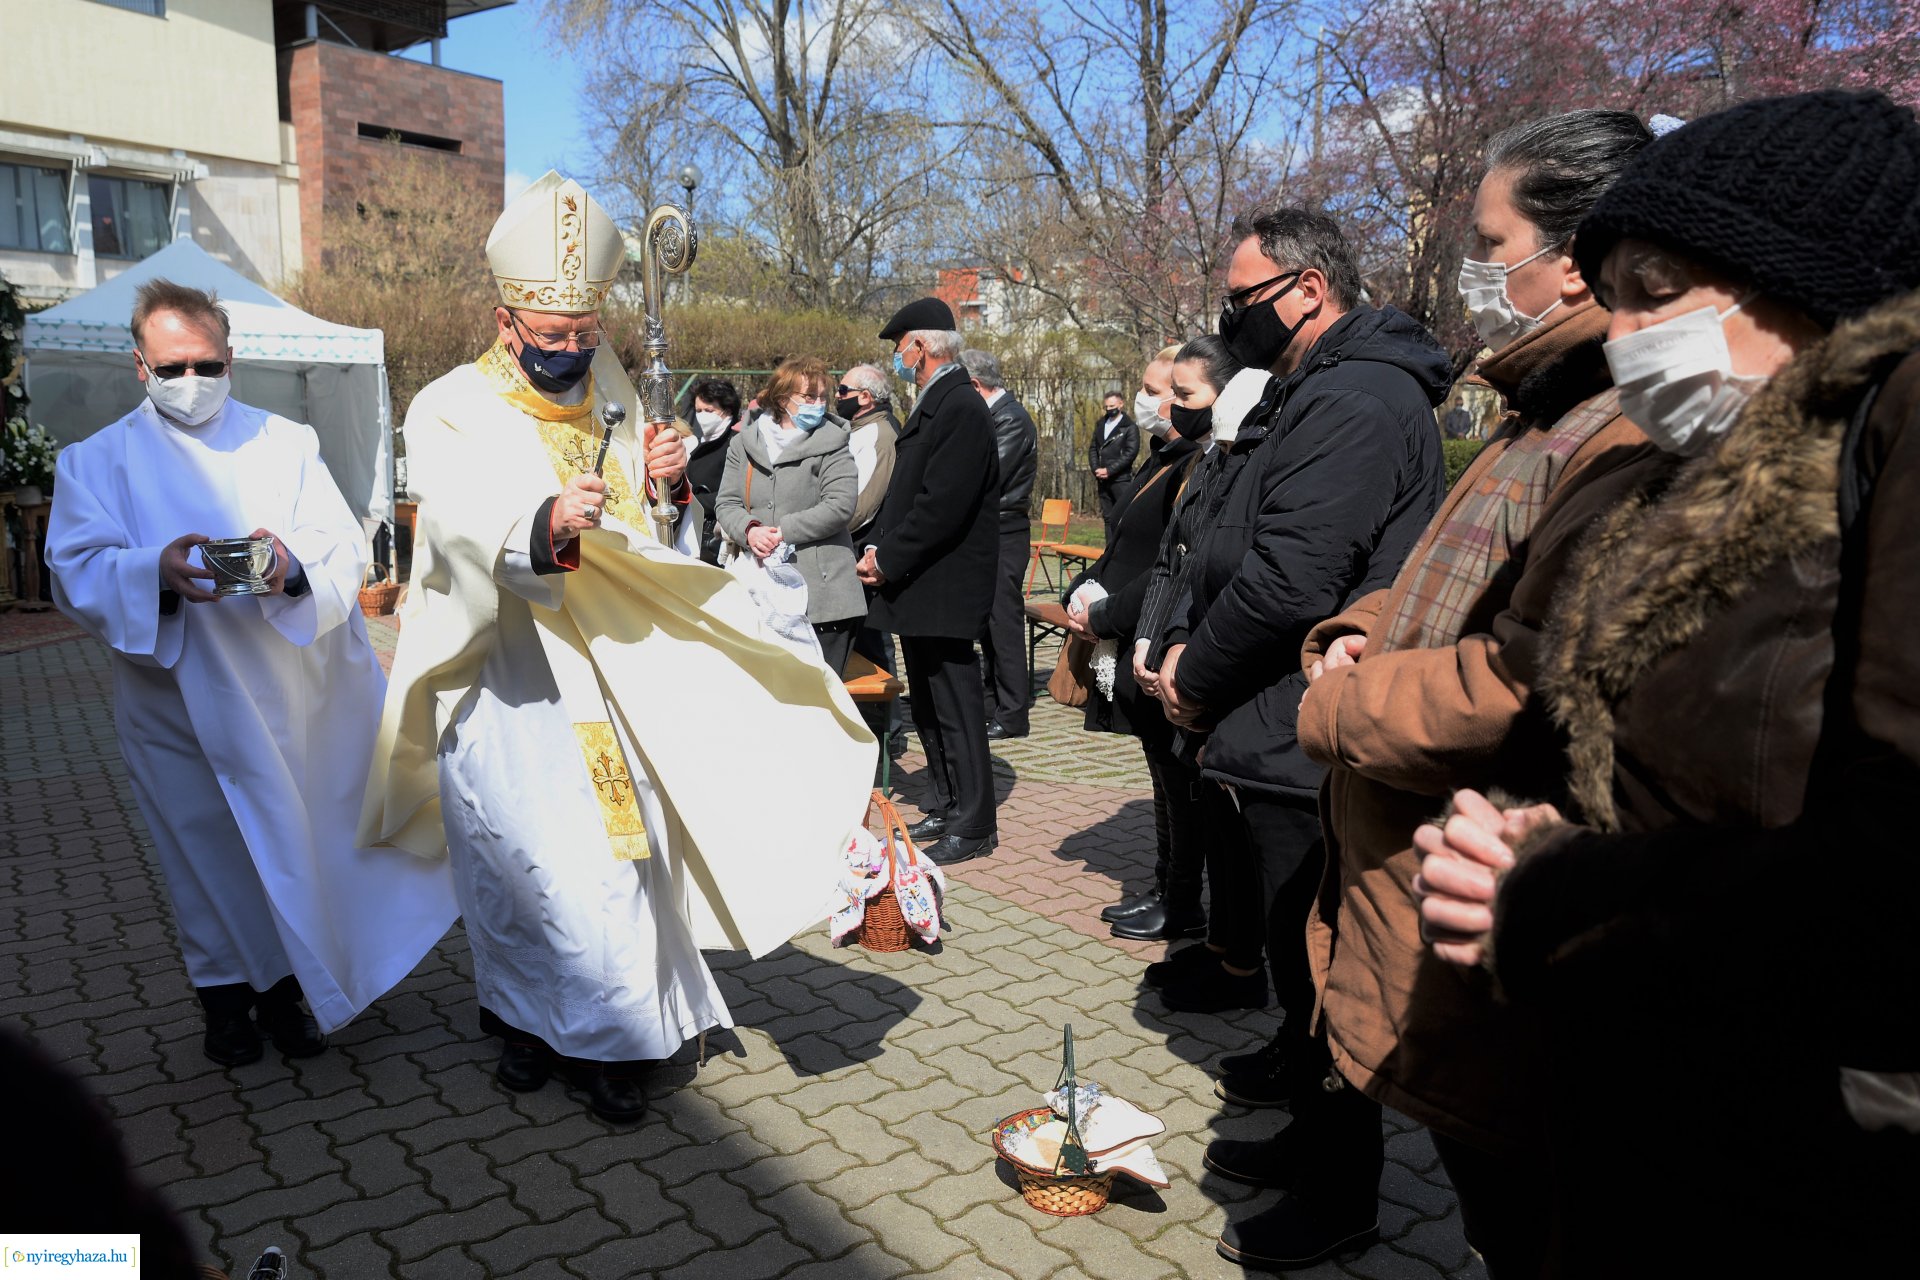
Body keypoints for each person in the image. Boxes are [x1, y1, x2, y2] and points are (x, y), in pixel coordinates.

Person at [1411, 90, 1920, 1278]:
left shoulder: (1890, 442)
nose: (1626, 332)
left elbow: (1889, 877)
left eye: (1659, 287)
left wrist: (1552, 885)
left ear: (1811, 284)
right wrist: (1533, 825)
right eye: (1615, 294)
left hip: (1816, 1163)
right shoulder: (1693, 484)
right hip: (1650, 1113)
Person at [1228, 110, 1653, 1276]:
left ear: (1571, 258)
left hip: (1470, 862)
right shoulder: (1540, 405)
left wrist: (1336, 706)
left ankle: (1353, 1201)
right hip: (1405, 834)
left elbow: (1527, 670)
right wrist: (1359, 630)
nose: (1479, 262)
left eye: (1491, 237)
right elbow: (1436, 564)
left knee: (1515, 1193)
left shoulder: (1614, 425)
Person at [359, 172, 875, 1123]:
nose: (570, 350)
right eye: (551, 336)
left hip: (604, 669)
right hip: (506, 670)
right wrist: (541, 521)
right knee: (509, 855)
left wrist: (662, 475)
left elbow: (642, 520)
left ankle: (611, 1041)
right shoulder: (445, 405)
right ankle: (518, 1018)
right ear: (507, 320)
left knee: (609, 853)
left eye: (584, 331)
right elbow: (458, 522)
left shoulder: (609, 381)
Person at [1140, 206, 1449, 1266]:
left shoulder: (1361, 396)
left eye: (1243, 300)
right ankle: (1309, 1139)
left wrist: (1198, 674)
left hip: (1303, 723)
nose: (1230, 320)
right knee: (1291, 949)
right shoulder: (1315, 386)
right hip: (1271, 717)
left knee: (1322, 968)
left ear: (1308, 289)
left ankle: (1341, 1190)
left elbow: (1294, 577)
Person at [46, 280, 458, 1068]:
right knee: (203, 855)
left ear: (232, 358)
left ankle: (288, 995)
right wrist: (152, 571)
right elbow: (74, 570)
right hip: (174, 701)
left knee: (296, 842)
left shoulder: (286, 441)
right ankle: (226, 1004)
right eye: (171, 367)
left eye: (205, 362)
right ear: (140, 365)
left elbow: (341, 548)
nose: (190, 380)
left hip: (289, 696)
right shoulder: (95, 462)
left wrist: (291, 569)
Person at [1069, 338, 1223, 943]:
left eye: (1161, 392)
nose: (1149, 401)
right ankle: (1165, 885)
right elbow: (1125, 545)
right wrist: (1086, 587)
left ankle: (1181, 896)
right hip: (1131, 631)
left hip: (1154, 635)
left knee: (1177, 779)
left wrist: (1106, 612)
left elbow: (1168, 564)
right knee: (1161, 775)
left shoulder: (1192, 465)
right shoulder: (1163, 458)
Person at [856, 298, 1001, 865]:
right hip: (922, 586)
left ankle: (975, 818)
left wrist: (887, 559)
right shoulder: (938, 402)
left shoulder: (960, 404)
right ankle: (947, 797)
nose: (899, 358)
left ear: (922, 346)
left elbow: (942, 505)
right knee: (931, 703)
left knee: (957, 706)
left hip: (943, 586)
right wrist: (882, 550)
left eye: (901, 348)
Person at [715, 356, 866, 672]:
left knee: (821, 698)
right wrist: (751, 531)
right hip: (757, 592)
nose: (819, 404)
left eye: (823, 397)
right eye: (809, 397)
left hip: (823, 598)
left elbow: (839, 505)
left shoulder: (834, 441)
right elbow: (727, 503)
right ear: (783, 398)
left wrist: (782, 532)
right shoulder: (744, 443)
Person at [962, 347, 1039, 740]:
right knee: (990, 624)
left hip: (1005, 532)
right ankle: (995, 701)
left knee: (1003, 623)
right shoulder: (995, 416)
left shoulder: (1010, 419)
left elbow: (986, 474)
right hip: (990, 531)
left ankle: (1013, 714)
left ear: (976, 385)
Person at [836, 364, 905, 750]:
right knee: (860, 637)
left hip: (864, 548)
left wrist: (826, 524)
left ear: (865, 396)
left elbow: (862, 504)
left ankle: (889, 730)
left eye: (843, 389)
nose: (837, 394)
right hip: (850, 546)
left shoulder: (879, 434)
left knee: (874, 639)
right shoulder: (859, 429)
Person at [683, 377, 743, 564]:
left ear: (728, 410)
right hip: (695, 531)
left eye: (709, 410)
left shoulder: (737, 444)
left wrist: (694, 502)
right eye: (699, 410)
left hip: (716, 535)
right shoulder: (701, 443)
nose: (702, 416)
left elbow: (738, 492)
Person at [1088, 389, 1140, 533]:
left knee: (1123, 516)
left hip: (1120, 479)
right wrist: (1096, 469)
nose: (1109, 409)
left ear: (1120, 404)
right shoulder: (1100, 424)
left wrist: (1109, 470)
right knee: (1108, 518)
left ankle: (1122, 552)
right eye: (1107, 407)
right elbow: (1093, 448)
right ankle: (1109, 551)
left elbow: (1130, 453)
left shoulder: (1129, 427)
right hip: (1102, 480)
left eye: (1112, 406)